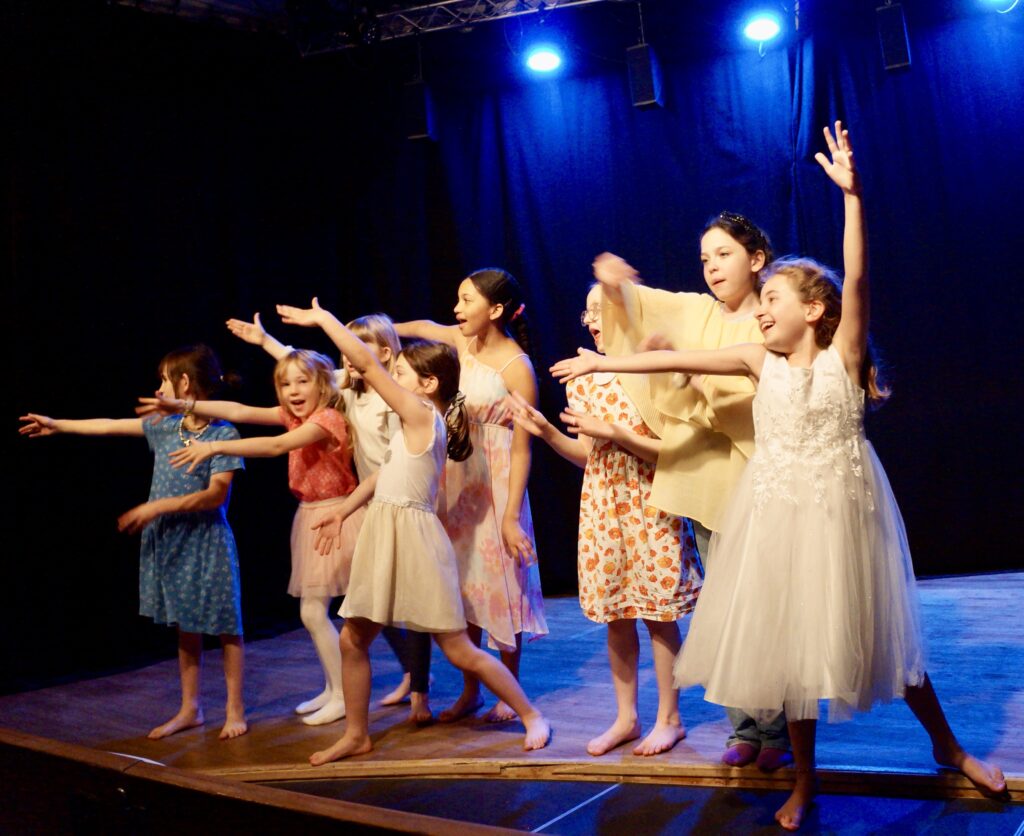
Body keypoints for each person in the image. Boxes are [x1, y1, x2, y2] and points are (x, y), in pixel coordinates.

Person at [553, 123, 1006, 830]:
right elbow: (669, 363)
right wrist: (600, 361)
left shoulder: (842, 359)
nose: (759, 309)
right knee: (794, 660)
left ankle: (950, 747)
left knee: (885, 643)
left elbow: (858, 276)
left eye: (773, 301)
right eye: (760, 304)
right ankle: (802, 781)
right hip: (776, 519)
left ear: (814, 312)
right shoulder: (753, 359)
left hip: (841, 518)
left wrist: (853, 198)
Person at [273, 298, 551, 763]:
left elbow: (363, 360)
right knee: (353, 637)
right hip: (385, 530)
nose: (393, 379)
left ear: (428, 384)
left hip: (415, 540)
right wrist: (343, 511)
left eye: (399, 373)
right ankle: (358, 734)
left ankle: (530, 714)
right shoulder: (410, 426)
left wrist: (324, 321)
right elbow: (382, 475)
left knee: (459, 649)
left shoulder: (424, 416)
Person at [595, 219, 791, 768]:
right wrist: (612, 283)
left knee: (763, 610)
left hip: (755, 475)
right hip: (705, 478)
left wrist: (691, 377)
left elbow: (757, 399)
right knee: (723, 612)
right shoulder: (697, 311)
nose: (711, 267)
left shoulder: (771, 317)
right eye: (704, 257)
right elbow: (637, 309)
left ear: (755, 259)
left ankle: (778, 735)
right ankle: (744, 729)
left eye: (723, 254)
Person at [508, 283, 703, 757]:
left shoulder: (655, 373)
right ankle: (626, 717)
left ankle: (669, 718)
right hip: (603, 506)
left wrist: (613, 431)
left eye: (603, 310)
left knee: (658, 616)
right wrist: (549, 434)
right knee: (615, 615)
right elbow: (590, 456)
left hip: (654, 503)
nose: (592, 320)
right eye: (587, 311)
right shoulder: (582, 380)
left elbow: (678, 452)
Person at [19, 345, 247, 740]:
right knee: (185, 626)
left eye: (163, 380)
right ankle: (190, 708)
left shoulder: (223, 433)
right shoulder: (165, 426)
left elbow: (215, 496)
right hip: (172, 539)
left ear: (185, 383)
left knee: (227, 626)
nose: (158, 388)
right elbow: (110, 424)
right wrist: (59, 425)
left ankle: (235, 709)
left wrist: (157, 507)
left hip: (205, 539)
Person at [226, 312, 433, 722]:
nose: (348, 360)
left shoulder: (395, 395)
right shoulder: (349, 386)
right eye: (345, 353)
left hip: (396, 498)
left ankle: (416, 689)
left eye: (356, 352)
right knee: (377, 606)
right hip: (363, 501)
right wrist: (266, 341)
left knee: (399, 605)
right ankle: (370, 685)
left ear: (385, 354)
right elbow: (306, 371)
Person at [141, 349, 361, 727]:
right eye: (285, 383)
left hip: (338, 512)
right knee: (315, 611)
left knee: (326, 611)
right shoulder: (294, 416)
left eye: (302, 382)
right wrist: (185, 403)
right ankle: (333, 687)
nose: (292, 390)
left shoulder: (327, 418)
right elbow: (240, 411)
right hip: (311, 513)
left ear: (323, 384)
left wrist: (215, 446)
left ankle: (345, 694)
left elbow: (275, 446)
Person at [396, 269, 548, 724]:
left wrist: (509, 515)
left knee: (500, 582)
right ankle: (472, 690)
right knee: (465, 586)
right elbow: (422, 328)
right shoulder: (459, 344)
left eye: (466, 301)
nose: (457, 309)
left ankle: (510, 688)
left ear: (495, 310)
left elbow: (523, 447)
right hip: (457, 477)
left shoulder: (516, 367)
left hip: (497, 480)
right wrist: (378, 328)